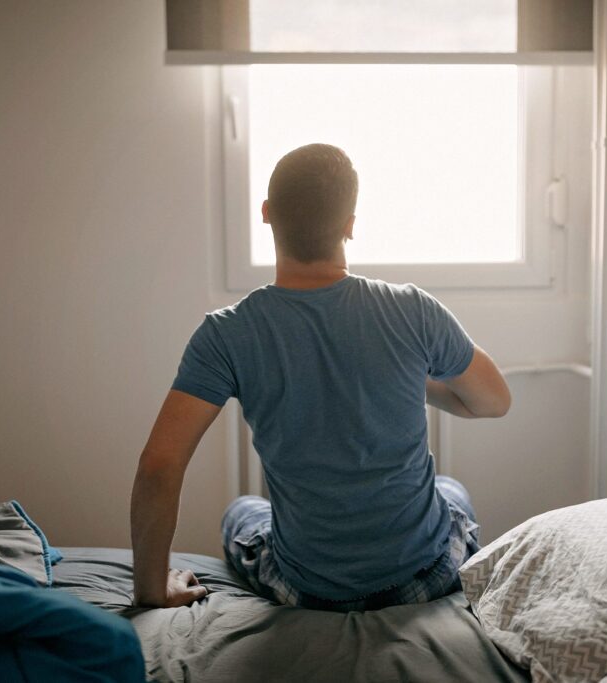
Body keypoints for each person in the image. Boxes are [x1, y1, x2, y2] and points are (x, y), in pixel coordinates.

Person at [130, 143, 511, 611]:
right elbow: (493, 401)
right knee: (452, 492)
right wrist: (416, 380)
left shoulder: (226, 334)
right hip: (424, 576)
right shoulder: (412, 308)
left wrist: (151, 591)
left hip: (311, 589)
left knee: (242, 511)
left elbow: (158, 466)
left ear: (267, 214)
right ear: (350, 224)